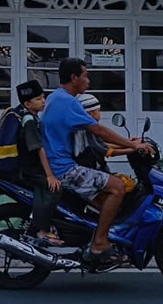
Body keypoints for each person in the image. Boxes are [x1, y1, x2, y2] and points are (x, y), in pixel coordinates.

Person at [40, 57, 149, 264]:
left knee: (104, 198)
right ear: (74, 78)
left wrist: (129, 141)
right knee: (117, 187)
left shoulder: (57, 97)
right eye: (85, 76)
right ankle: (99, 244)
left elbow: (96, 138)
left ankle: (95, 236)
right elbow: (99, 130)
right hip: (64, 169)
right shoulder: (68, 102)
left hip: (59, 164)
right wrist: (134, 146)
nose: (88, 81)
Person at [14, 80, 63, 247]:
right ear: (27, 103)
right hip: (30, 169)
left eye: (43, 97)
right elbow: (38, 148)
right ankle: (42, 231)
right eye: (38, 99)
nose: (43, 101)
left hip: (32, 166)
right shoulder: (28, 119)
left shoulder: (30, 116)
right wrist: (49, 175)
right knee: (53, 189)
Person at [72, 92, 136, 174]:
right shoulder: (88, 129)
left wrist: (127, 143)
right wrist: (134, 149)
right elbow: (108, 151)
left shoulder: (81, 126)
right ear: (90, 113)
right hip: (89, 170)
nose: (100, 113)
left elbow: (102, 144)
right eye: (98, 110)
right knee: (121, 184)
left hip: (89, 167)